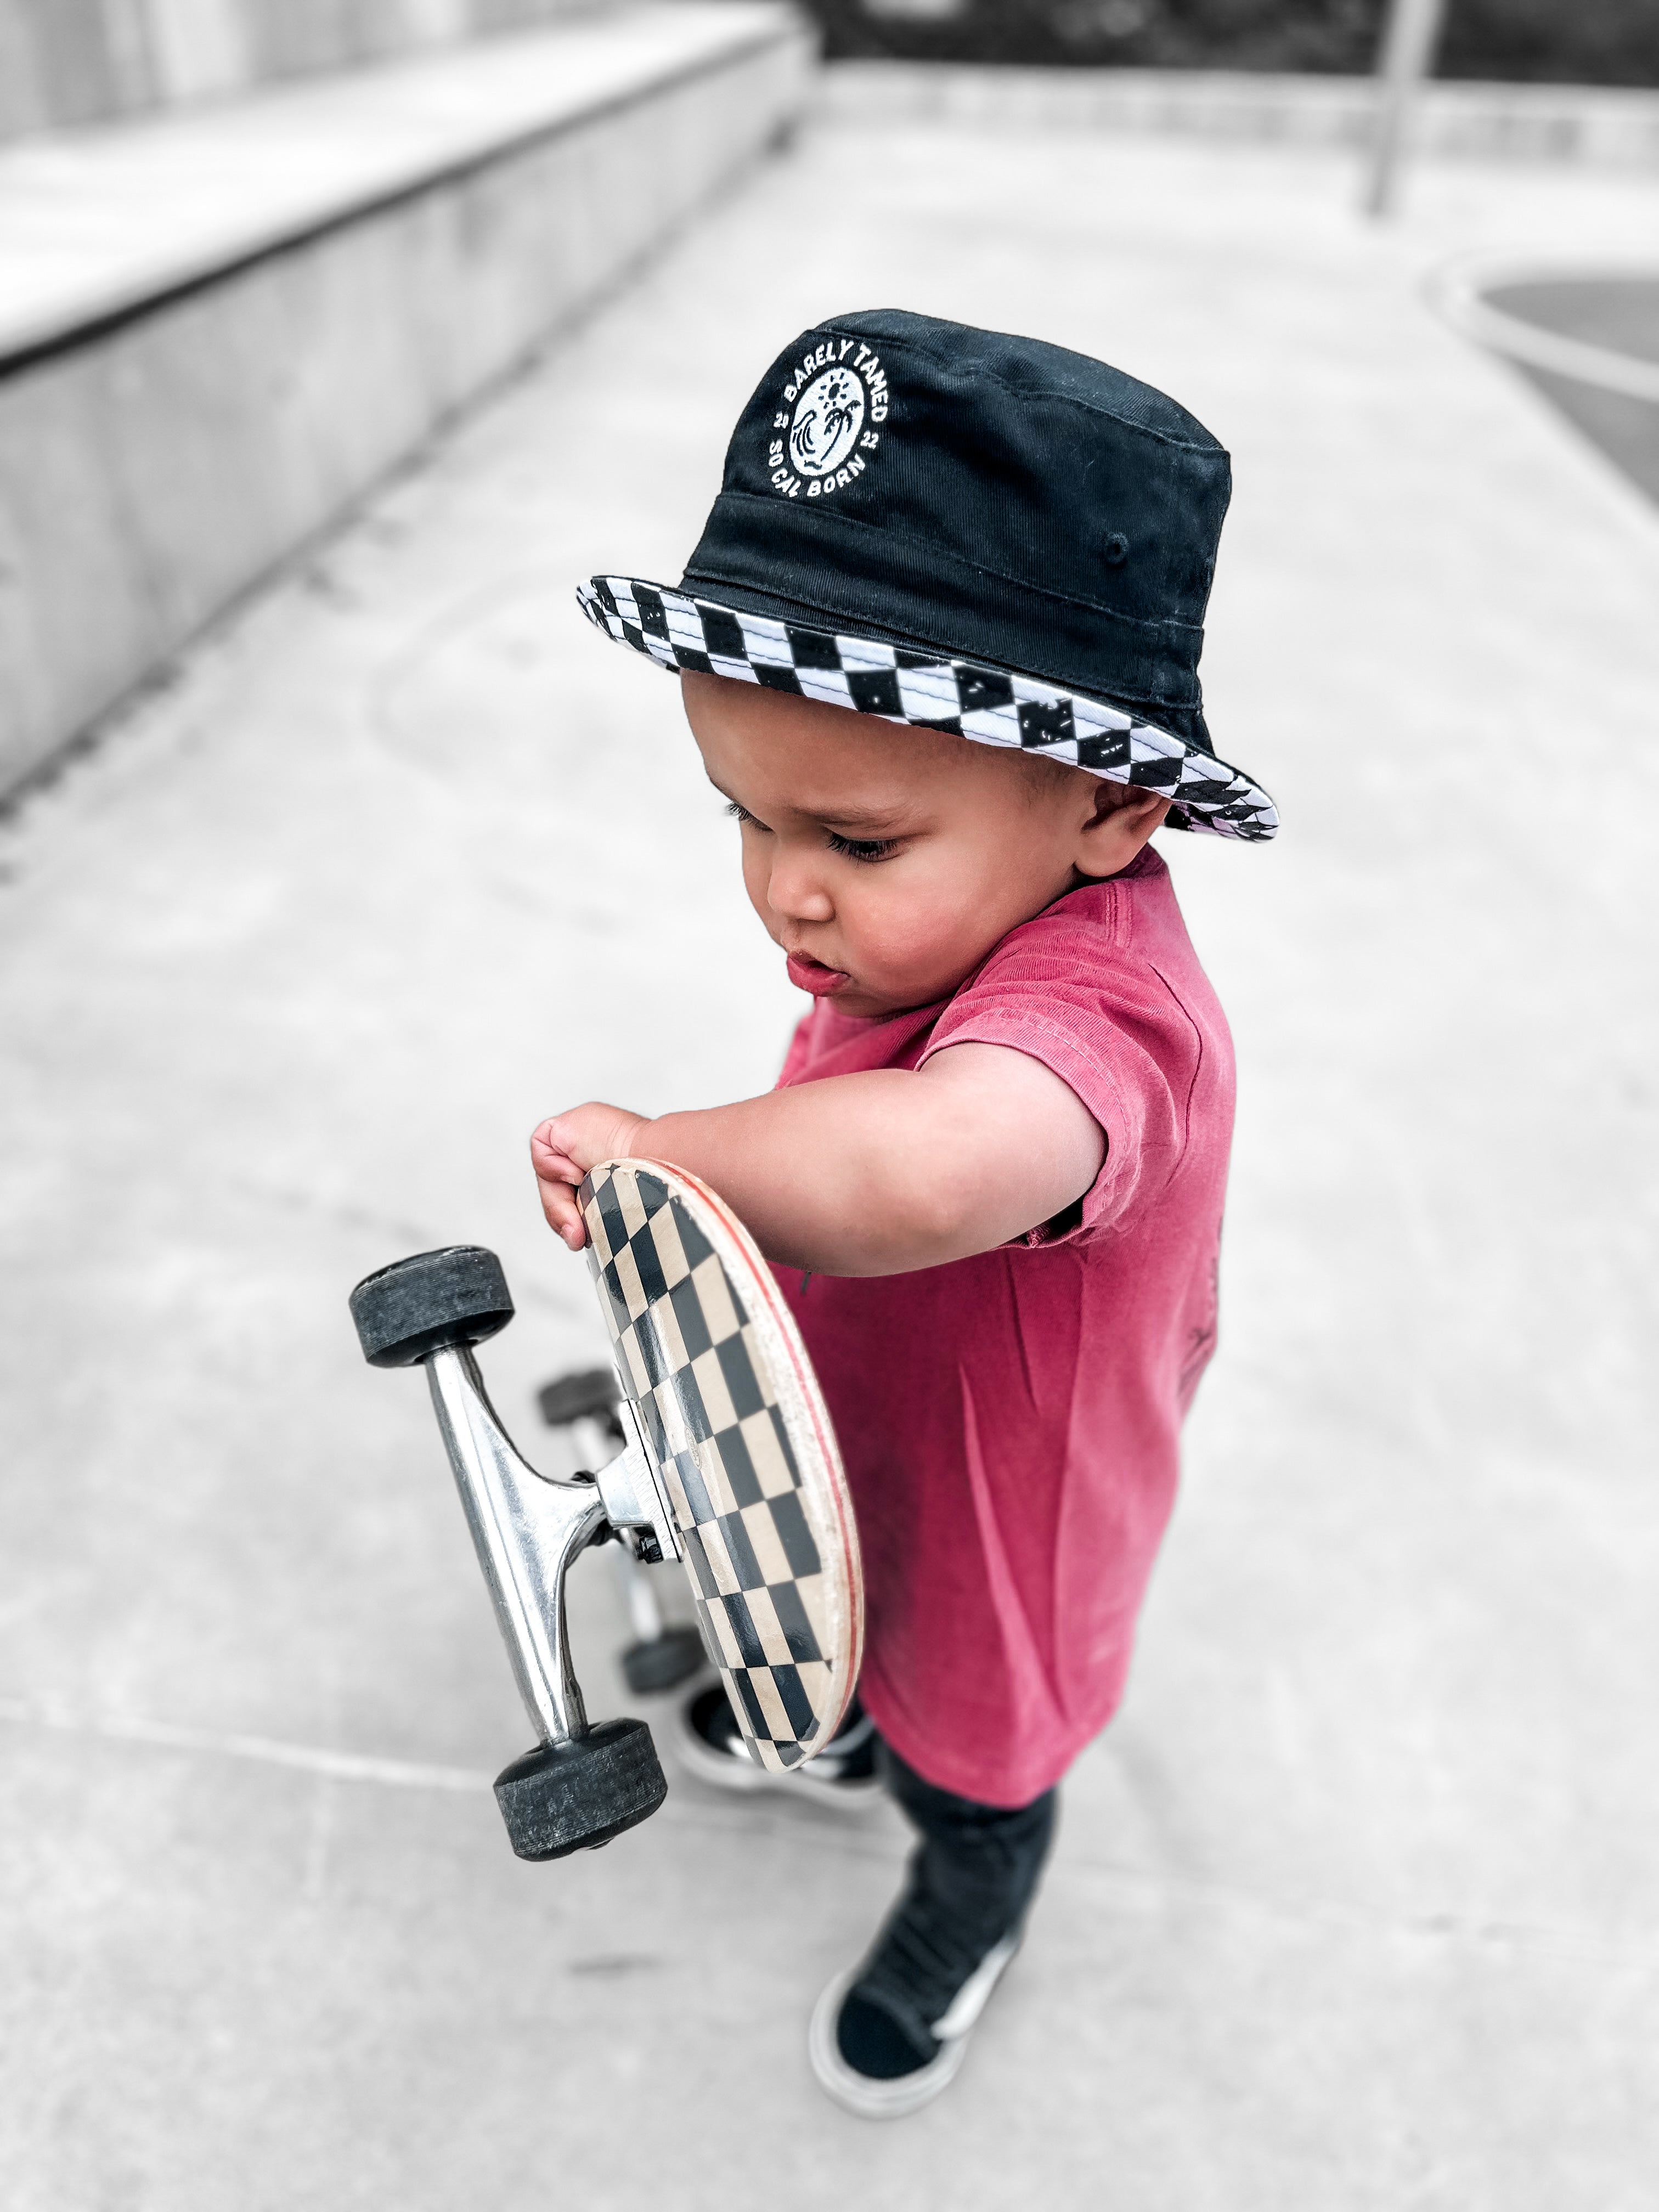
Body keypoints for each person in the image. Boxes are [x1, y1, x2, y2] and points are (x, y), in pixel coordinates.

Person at [530, 311, 1277, 2118]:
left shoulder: (1106, 1018)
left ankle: (974, 1879)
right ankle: (832, 1708)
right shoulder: (940, 908)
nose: (786, 888)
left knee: (979, 1727)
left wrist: (671, 1149)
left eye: (856, 844)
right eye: (743, 812)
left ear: (1107, 804)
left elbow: (932, 1165)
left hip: (1014, 1486)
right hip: (860, 1394)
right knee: (828, 1579)